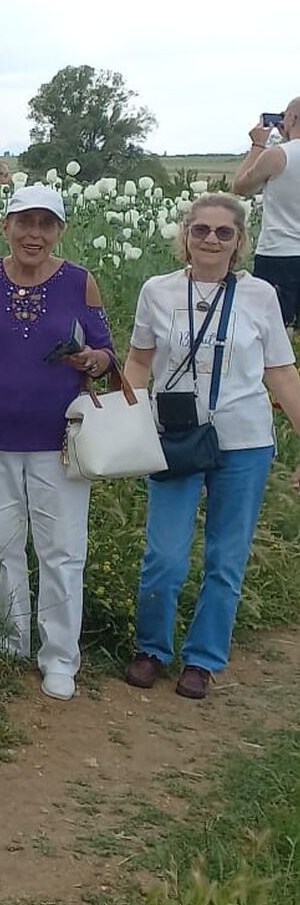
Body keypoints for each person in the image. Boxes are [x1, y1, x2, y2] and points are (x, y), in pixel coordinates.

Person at [120, 193, 300, 698]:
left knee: (226, 556)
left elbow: (281, 373)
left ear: (239, 240)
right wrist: (122, 418)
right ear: (186, 235)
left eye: (224, 232)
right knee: (165, 554)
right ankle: (152, 647)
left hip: (243, 439)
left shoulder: (261, 296)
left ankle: (203, 658)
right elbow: (138, 361)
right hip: (176, 436)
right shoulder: (157, 291)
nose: (211, 240)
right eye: (201, 230)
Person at [0, 185, 116, 700]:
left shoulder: (80, 283)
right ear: (6, 226)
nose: (34, 234)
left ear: (60, 230)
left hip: (57, 438)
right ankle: (12, 640)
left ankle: (60, 657)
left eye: (46, 224)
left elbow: (106, 350)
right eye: (25, 222)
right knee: (0, 543)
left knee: (61, 550)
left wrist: (94, 361)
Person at [232, 97, 300, 328]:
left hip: (280, 253)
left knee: (274, 329)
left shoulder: (279, 155)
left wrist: (258, 145)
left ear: (291, 119)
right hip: (282, 253)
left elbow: (240, 187)